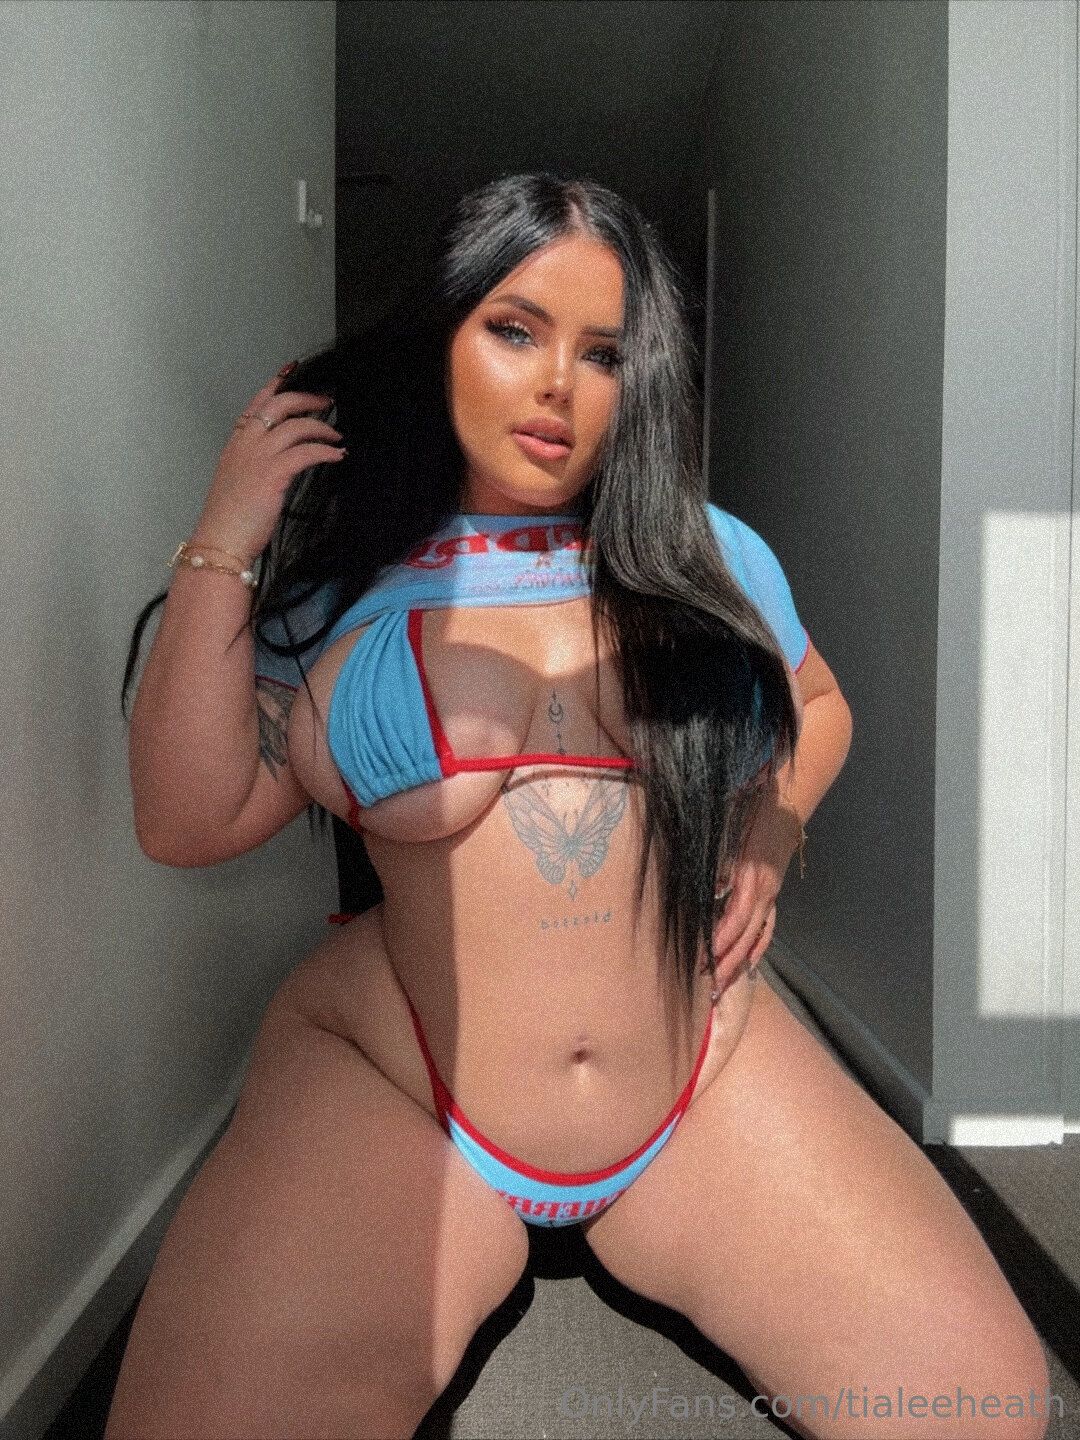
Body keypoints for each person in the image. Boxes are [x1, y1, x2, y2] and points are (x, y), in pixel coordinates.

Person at [109, 174, 1050, 1440]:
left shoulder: (705, 553)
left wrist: (769, 831)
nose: (559, 384)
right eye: (515, 329)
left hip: (697, 1068)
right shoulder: (349, 581)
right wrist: (226, 536)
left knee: (985, 1407)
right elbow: (189, 819)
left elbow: (819, 704)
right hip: (399, 1078)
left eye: (602, 353)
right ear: (443, 333)